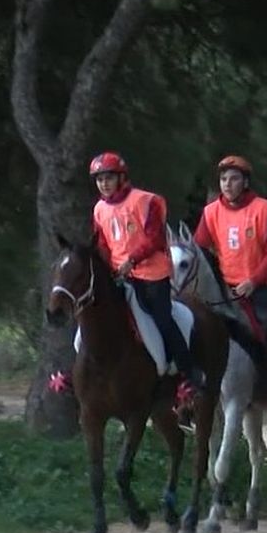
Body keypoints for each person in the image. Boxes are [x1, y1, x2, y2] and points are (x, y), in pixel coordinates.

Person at [88, 150, 206, 394]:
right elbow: (102, 243)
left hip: (152, 274)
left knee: (161, 317)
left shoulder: (147, 201)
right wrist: (106, 266)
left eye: (109, 177)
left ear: (121, 178)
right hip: (119, 275)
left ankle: (188, 370)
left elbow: (153, 238)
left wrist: (131, 260)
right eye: (99, 179)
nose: (104, 183)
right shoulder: (99, 209)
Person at [193, 153, 267, 394]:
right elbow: (199, 249)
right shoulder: (211, 212)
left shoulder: (265, 211)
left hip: (262, 288)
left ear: (245, 182)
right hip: (226, 290)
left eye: (234, 179)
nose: (227, 184)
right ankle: (192, 388)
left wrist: (253, 281)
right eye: (223, 179)